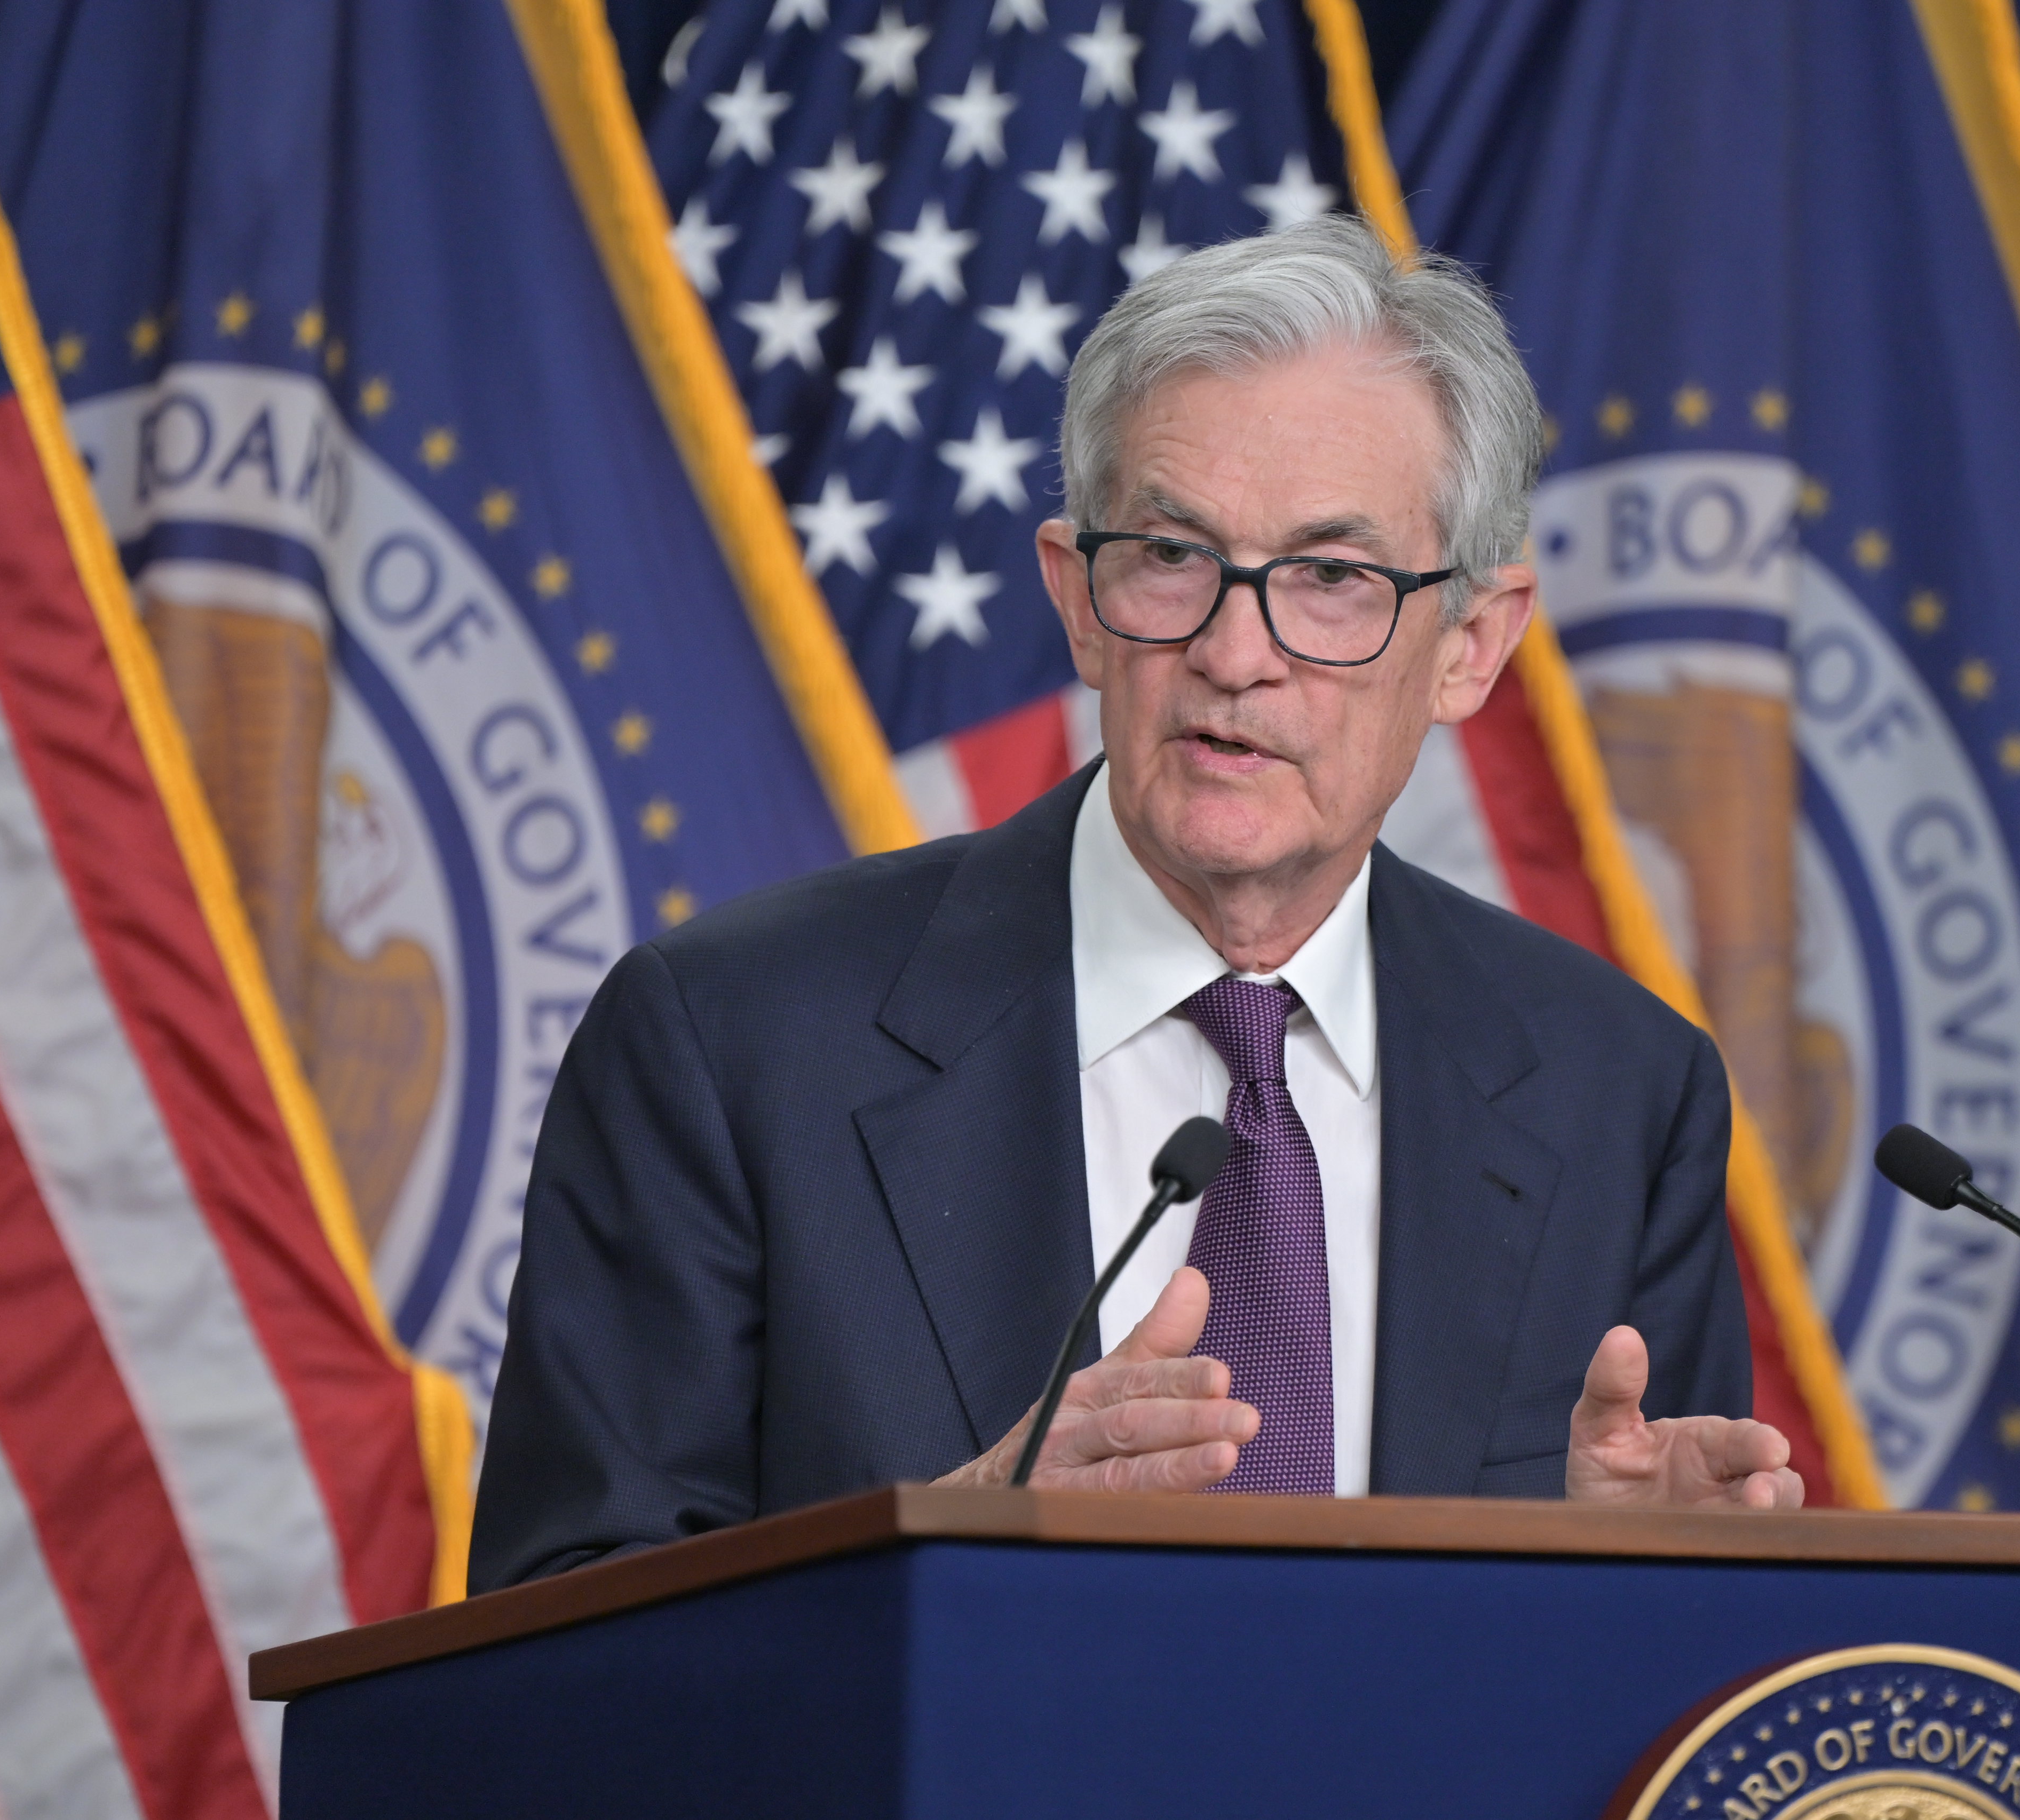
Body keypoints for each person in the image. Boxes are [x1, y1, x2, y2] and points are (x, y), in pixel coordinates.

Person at [470, 216, 1802, 1589]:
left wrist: (1623, 1597)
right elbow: (551, 1658)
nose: (1235, 654)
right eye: (1173, 557)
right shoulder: (731, 1044)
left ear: (1469, 643)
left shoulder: (1618, 1095)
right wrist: (952, 1543)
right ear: (1080, 599)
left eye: (1331, 579)